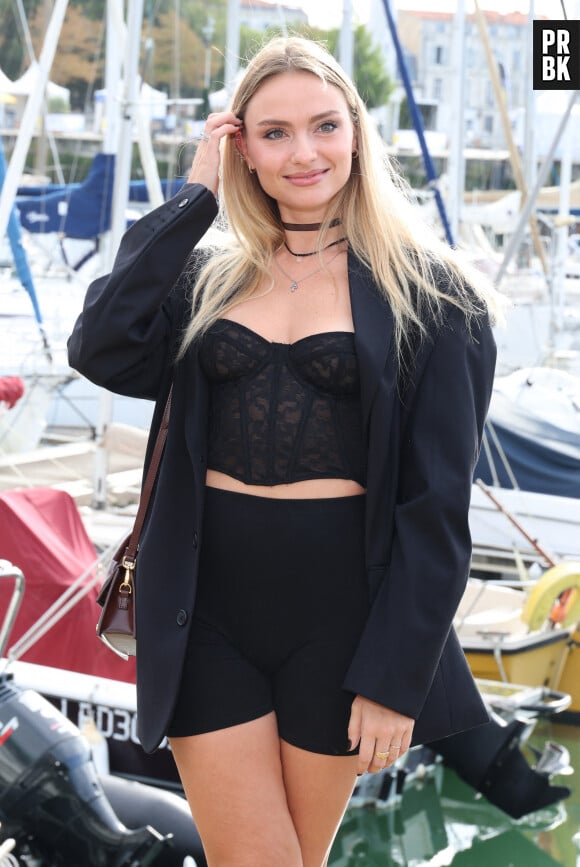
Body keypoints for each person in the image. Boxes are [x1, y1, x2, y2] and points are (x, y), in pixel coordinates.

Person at [69, 35, 500, 867]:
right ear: (243, 149)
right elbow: (100, 344)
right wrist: (193, 197)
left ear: (356, 134)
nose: (303, 152)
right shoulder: (207, 280)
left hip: (343, 625)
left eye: (323, 126)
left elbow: (438, 505)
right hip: (204, 611)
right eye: (273, 133)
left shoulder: (438, 298)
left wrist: (395, 675)